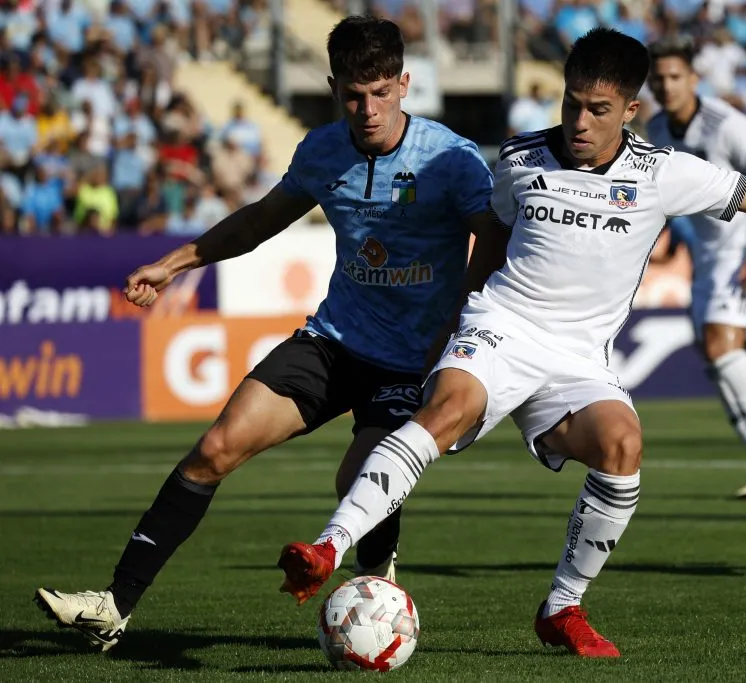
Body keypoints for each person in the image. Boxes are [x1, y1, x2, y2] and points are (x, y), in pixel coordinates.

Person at [278, 28, 746, 657]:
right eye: (571, 104)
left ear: (631, 109)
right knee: (446, 407)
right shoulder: (518, 159)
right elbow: (492, 242)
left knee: (623, 446)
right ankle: (329, 546)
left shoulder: (665, 173)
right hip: (502, 327)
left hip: (579, 356)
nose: (578, 122)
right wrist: (454, 325)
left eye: (598, 110)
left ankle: (562, 607)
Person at [33, 16, 498, 651]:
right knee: (216, 448)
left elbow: (493, 239)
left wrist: (460, 321)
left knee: (357, 475)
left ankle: (375, 577)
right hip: (335, 341)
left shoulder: (450, 158)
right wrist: (174, 264)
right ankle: (113, 607)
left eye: (382, 92)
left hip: (412, 362)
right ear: (335, 88)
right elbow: (261, 220)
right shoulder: (322, 151)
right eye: (354, 95)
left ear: (405, 84)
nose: (368, 109)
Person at [646, 37, 746, 500]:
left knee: (720, 343)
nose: (667, 86)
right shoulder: (656, 127)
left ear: (694, 79)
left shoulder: (727, 125)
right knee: (719, 359)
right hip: (710, 255)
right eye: (659, 79)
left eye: (675, 77)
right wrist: (672, 241)